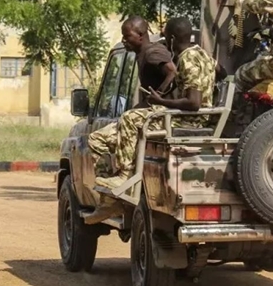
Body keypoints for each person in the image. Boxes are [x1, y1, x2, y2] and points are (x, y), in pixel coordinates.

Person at [91, 17, 217, 190]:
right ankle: (112, 191)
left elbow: (194, 103)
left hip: (190, 119)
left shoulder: (185, 58)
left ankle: (124, 175)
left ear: (171, 39)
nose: (164, 42)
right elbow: (222, 72)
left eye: (166, 38)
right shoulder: (203, 55)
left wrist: (160, 100)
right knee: (111, 130)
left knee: (129, 118)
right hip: (195, 116)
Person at [88, 16, 176, 162]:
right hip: (152, 114)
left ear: (141, 36)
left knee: (97, 140)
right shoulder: (143, 54)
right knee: (102, 137)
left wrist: (159, 95)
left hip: (159, 116)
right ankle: (115, 176)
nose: (124, 40)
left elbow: (172, 71)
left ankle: (121, 176)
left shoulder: (151, 53)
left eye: (127, 36)